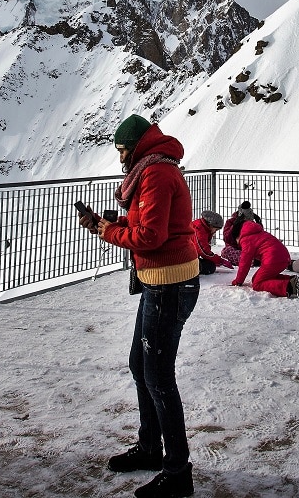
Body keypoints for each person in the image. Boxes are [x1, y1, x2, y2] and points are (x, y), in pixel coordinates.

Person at [81, 114, 198, 498]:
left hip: (168, 284)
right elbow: (146, 221)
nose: (119, 157)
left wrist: (106, 231)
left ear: (136, 146)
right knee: (140, 365)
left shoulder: (157, 174)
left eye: (120, 149)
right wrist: (109, 222)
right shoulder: (152, 170)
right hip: (159, 282)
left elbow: (150, 235)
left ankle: (178, 472)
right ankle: (150, 448)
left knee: (159, 378)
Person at [230, 220, 299, 299]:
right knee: (257, 278)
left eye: (236, 241)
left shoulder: (246, 239)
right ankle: (291, 280)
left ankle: (289, 286)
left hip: (273, 260)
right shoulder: (257, 233)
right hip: (283, 257)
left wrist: (239, 281)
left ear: (237, 236)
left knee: (257, 284)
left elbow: (245, 263)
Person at [219, 201, 259, 268]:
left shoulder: (252, 223)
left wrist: (258, 222)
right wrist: (235, 225)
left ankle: (254, 259)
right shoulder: (230, 222)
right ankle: (253, 261)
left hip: (249, 248)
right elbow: (227, 239)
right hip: (235, 249)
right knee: (226, 251)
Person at [190, 210, 230, 275]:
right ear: (211, 225)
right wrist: (220, 261)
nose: (215, 232)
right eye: (216, 229)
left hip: (191, 256)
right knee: (210, 267)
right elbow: (204, 252)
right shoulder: (199, 230)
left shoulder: (203, 228)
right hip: (185, 258)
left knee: (209, 264)